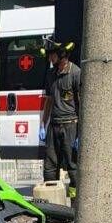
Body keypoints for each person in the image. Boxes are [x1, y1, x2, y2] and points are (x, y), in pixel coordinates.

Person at [39, 41, 80, 201]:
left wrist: (80, 132)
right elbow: (49, 99)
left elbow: (80, 101)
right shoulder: (50, 74)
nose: (50, 57)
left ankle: (75, 205)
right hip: (54, 125)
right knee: (49, 166)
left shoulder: (75, 73)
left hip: (71, 124)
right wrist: (43, 123)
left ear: (62, 55)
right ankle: (52, 203)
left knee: (73, 167)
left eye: (52, 54)